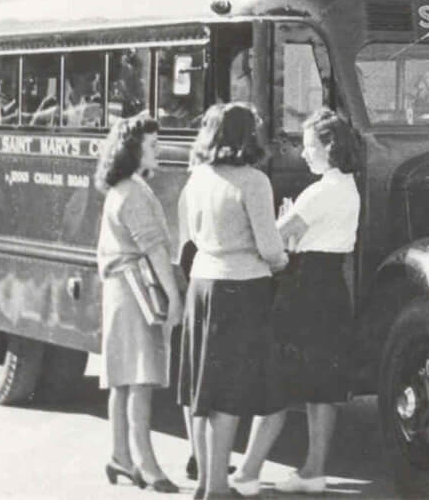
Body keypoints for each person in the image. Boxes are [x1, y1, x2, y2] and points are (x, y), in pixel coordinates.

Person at [235, 110, 363, 494]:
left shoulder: (319, 192)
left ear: (330, 147)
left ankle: (247, 472)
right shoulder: (348, 188)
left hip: (304, 288)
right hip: (332, 287)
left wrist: (283, 223)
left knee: (276, 379)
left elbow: (275, 238)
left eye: (309, 147)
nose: (303, 154)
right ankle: (313, 471)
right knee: (322, 386)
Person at [175, 103, 288, 498]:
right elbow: (269, 246)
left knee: (204, 390)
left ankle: (206, 482)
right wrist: (283, 260)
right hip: (243, 289)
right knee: (230, 391)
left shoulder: (197, 178)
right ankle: (219, 489)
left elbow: (188, 237)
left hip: (202, 285)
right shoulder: (254, 182)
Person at [96, 116, 181, 492]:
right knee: (141, 378)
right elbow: (154, 249)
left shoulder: (122, 188)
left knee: (123, 379)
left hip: (121, 289)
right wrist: (174, 296)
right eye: (153, 145)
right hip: (136, 291)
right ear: (133, 150)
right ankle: (148, 466)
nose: (159, 150)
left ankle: (121, 456)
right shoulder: (134, 192)